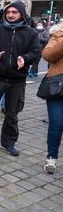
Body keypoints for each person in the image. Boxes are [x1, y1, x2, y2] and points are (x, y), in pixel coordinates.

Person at [0, 1, 41, 157]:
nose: (10, 15)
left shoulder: (31, 33)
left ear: (22, 14)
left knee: (12, 114)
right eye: (8, 12)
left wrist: (25, 59)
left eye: (14, 12)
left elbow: (36, 51)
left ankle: (9, 143)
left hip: (17, 80)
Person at [42, 23, 63, 174]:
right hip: (58, 86)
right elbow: (47, 55)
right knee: (57, 123)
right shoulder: (57, 34)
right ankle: (52, 157)